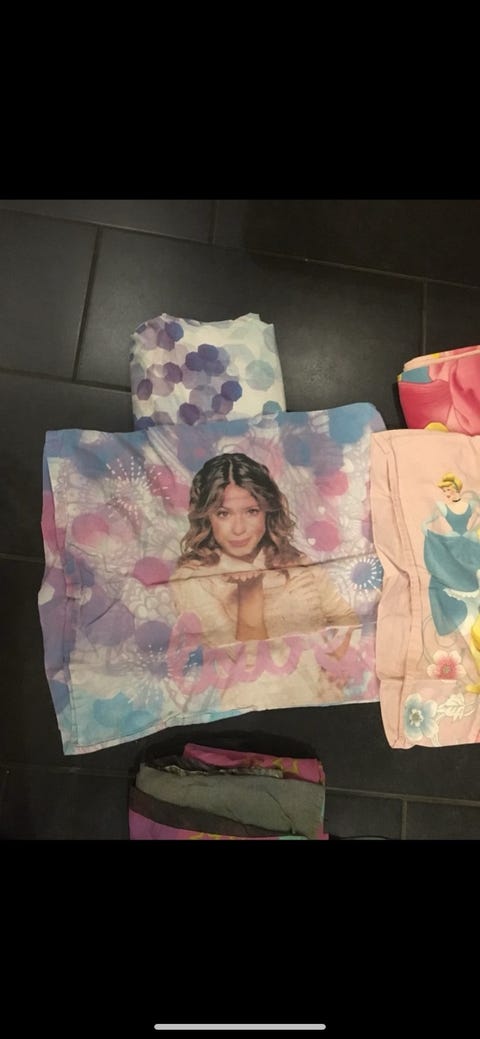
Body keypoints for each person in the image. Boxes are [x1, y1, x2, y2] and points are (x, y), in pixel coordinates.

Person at [171, 452, 358, 649]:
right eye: (223, 514)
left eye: (251, 511)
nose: (239, 529)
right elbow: (233, 657)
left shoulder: (296, 561)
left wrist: (336, 658)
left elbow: (347, 620)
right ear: (206, 517)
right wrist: (256, 597)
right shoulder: (192, 579)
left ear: (268, 512)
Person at [423, 473, 480, 637]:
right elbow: (425, 524)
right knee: (449, 575)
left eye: (448, 489)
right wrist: (432, 535)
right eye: (444, 490)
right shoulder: (443, 507)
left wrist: (473, 530)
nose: (446, 493)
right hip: (454, 543)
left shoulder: (470, 504)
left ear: (456, 488)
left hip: (469, 542)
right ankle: (461, 612)